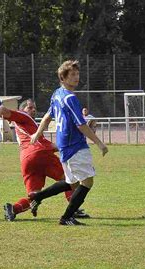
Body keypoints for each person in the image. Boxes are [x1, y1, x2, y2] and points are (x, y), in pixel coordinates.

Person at [29, 59, 108, 226]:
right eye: (72, 75)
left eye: (77, 74)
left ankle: (38, 196)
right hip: (75, 145)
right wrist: (99, 143)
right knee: (87, 181)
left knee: (70, 182)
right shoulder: (70, 98)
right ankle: (67, 217)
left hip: (64, 145)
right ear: (62, 78)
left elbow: (47, 116)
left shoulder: (57, 94)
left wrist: (38, 132)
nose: (76, 77)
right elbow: (81, 125)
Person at [0, 99, 91, 221]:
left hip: (27, 160)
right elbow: (11, 113)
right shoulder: (25, 117)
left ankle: (13, 209)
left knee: (34, 195)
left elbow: (44, 144)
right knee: (70, 179)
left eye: (34, 108)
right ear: (22, 109)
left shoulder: (26, 127)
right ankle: (74, 209)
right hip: (41, 155)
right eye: (30, 107)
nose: (33, 110)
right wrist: (4, 110)